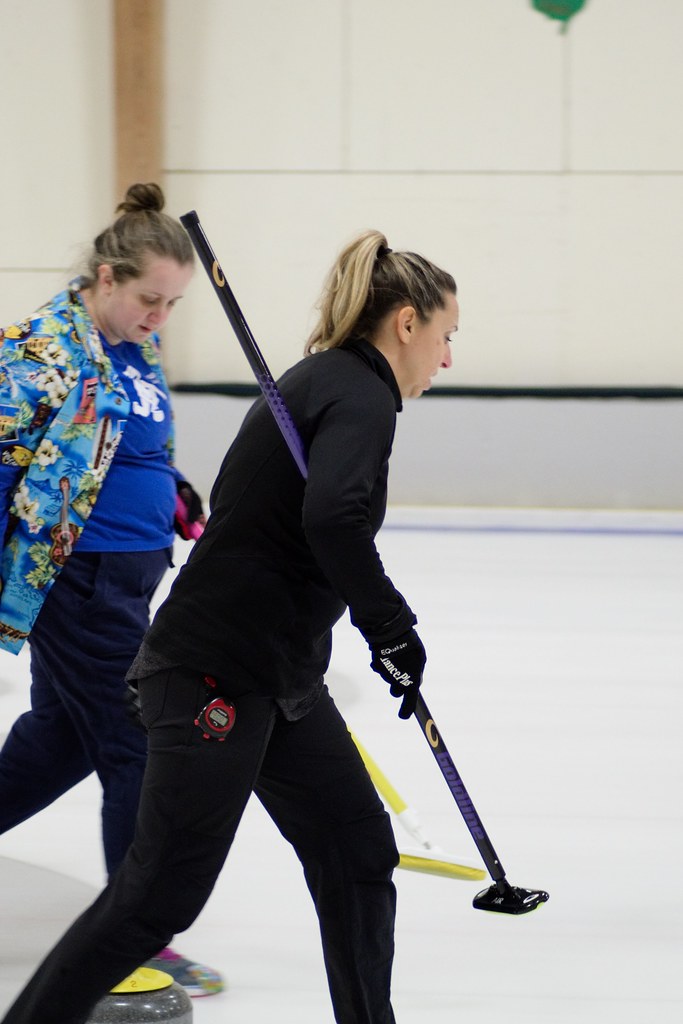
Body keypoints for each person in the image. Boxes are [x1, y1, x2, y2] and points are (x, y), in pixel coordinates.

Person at [0, 227, 458, 1024]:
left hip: (278, 678)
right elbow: (335, 518)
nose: (447, 360)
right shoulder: (360, 392)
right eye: (446, 335)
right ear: (406, 324)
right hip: (212, 674)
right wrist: (390, 625)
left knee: (357, 852)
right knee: (157, 898)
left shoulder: (323, 382)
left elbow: (292, 514)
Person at [0, 183, 223, 997]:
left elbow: (123, 446)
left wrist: (170, 486)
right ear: (104, 276)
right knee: (140, 744)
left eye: (172, 303)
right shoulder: (42, 349)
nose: (159, 315)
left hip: (129, 576)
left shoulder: (135, 343)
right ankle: (132, 940)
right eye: (147, 297)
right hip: (79, 580)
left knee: (61, 738)